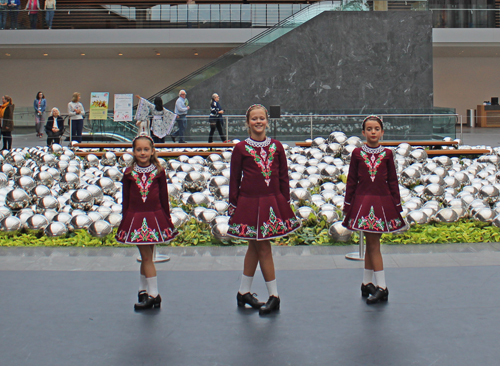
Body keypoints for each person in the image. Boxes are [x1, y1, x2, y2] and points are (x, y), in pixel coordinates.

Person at [227, 104, 301, 315]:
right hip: (249, 202)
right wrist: (234, 204)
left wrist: (284, 202)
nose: (258, 122)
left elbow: (283, 176)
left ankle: (245, 292)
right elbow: (234, 179)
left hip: (271, 202)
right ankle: (273, 296)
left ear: (267, 121)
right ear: (247, 122)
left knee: (258, 247)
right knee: (259, 247)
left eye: (261, 118)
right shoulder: (240, 148)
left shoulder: (277, 146)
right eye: (254, 119)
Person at [342, 115, 406, 305]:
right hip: (362, 201)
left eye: (376, 129)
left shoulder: (387, 154)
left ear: (382, 132)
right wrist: (348, 204)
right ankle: (372, 284)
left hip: (380, 203)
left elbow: (392, 180)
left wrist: (396, 204)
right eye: (369, 129)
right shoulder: (357, 154)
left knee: (373, 244)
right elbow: (351, 180)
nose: (373, 132)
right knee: (371, 244)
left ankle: (379, 286)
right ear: (363, 133)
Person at [115, 135, 179, 310]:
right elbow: (126, 199)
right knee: (146, 257)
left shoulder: (158, 172)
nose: (142, 153)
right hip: (136, 217)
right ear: (133, 152)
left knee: (147, 257)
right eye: (138, 149)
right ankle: (145, 291)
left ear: (152, 151)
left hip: (154, 217)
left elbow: (163, 197)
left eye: (146, 149)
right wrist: (125, 218)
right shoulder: (129, 173)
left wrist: (166, 218)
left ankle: (153, 294)